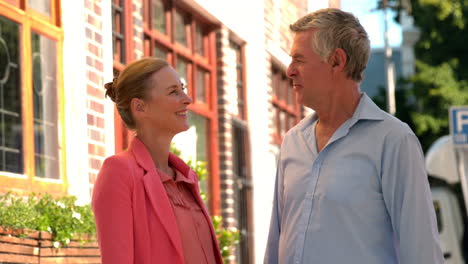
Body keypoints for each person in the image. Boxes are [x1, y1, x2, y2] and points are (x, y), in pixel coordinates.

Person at [264, 8, 444, 264]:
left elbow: (422, 252)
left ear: (337, 61)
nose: (290, 70)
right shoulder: (293, 141)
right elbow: (276, 243)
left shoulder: (393, 140)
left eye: (299, 60)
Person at [92, 58, 223, 264]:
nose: (187, 99)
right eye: (174, 92)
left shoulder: (187, 178)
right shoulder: (119, 172)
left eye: (183, 89)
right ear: (140, 107)